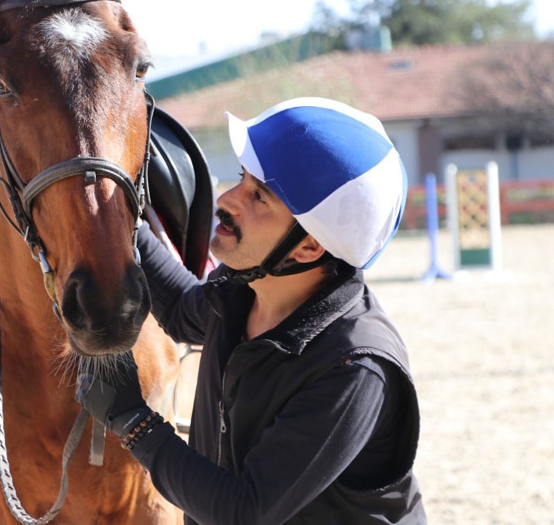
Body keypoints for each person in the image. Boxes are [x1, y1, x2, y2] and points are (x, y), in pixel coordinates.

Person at [76, 97, 427, 524]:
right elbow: (183, 312)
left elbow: (245, 512)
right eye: (242, 179)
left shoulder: (354, 367)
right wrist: (118, 216)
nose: (226, 200)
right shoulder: (243, 290)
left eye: (258, 196)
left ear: (309, 246)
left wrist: (134, 421)